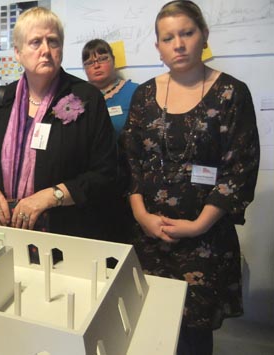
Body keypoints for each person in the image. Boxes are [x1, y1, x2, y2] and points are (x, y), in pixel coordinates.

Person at [122, 1, 260, 354]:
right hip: (150, 237)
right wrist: (141, 216)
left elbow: (239, 170)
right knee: (150, 330)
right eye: (168, 38)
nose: (178, 44)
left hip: (204, 241)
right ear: (158, 47)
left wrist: (197, 225)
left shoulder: (231, 93)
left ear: (204, 37)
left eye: (187, 33)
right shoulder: (144, 95)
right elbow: (133, 163)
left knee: (193, 340)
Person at [0, 7, 123, 240]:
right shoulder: (0, 99)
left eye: (53, 41)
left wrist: (51, 196)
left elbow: (106, 172)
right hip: (3, 231)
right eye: (35, 42)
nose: (46, 50)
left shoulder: (87, 98)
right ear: (18, 52)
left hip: (65, 234)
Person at [82, 39, 138, 135]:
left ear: (113, 60)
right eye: (89, 62)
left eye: (102, 59)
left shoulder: (136, 92)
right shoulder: (76, 97)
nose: (96, 65)